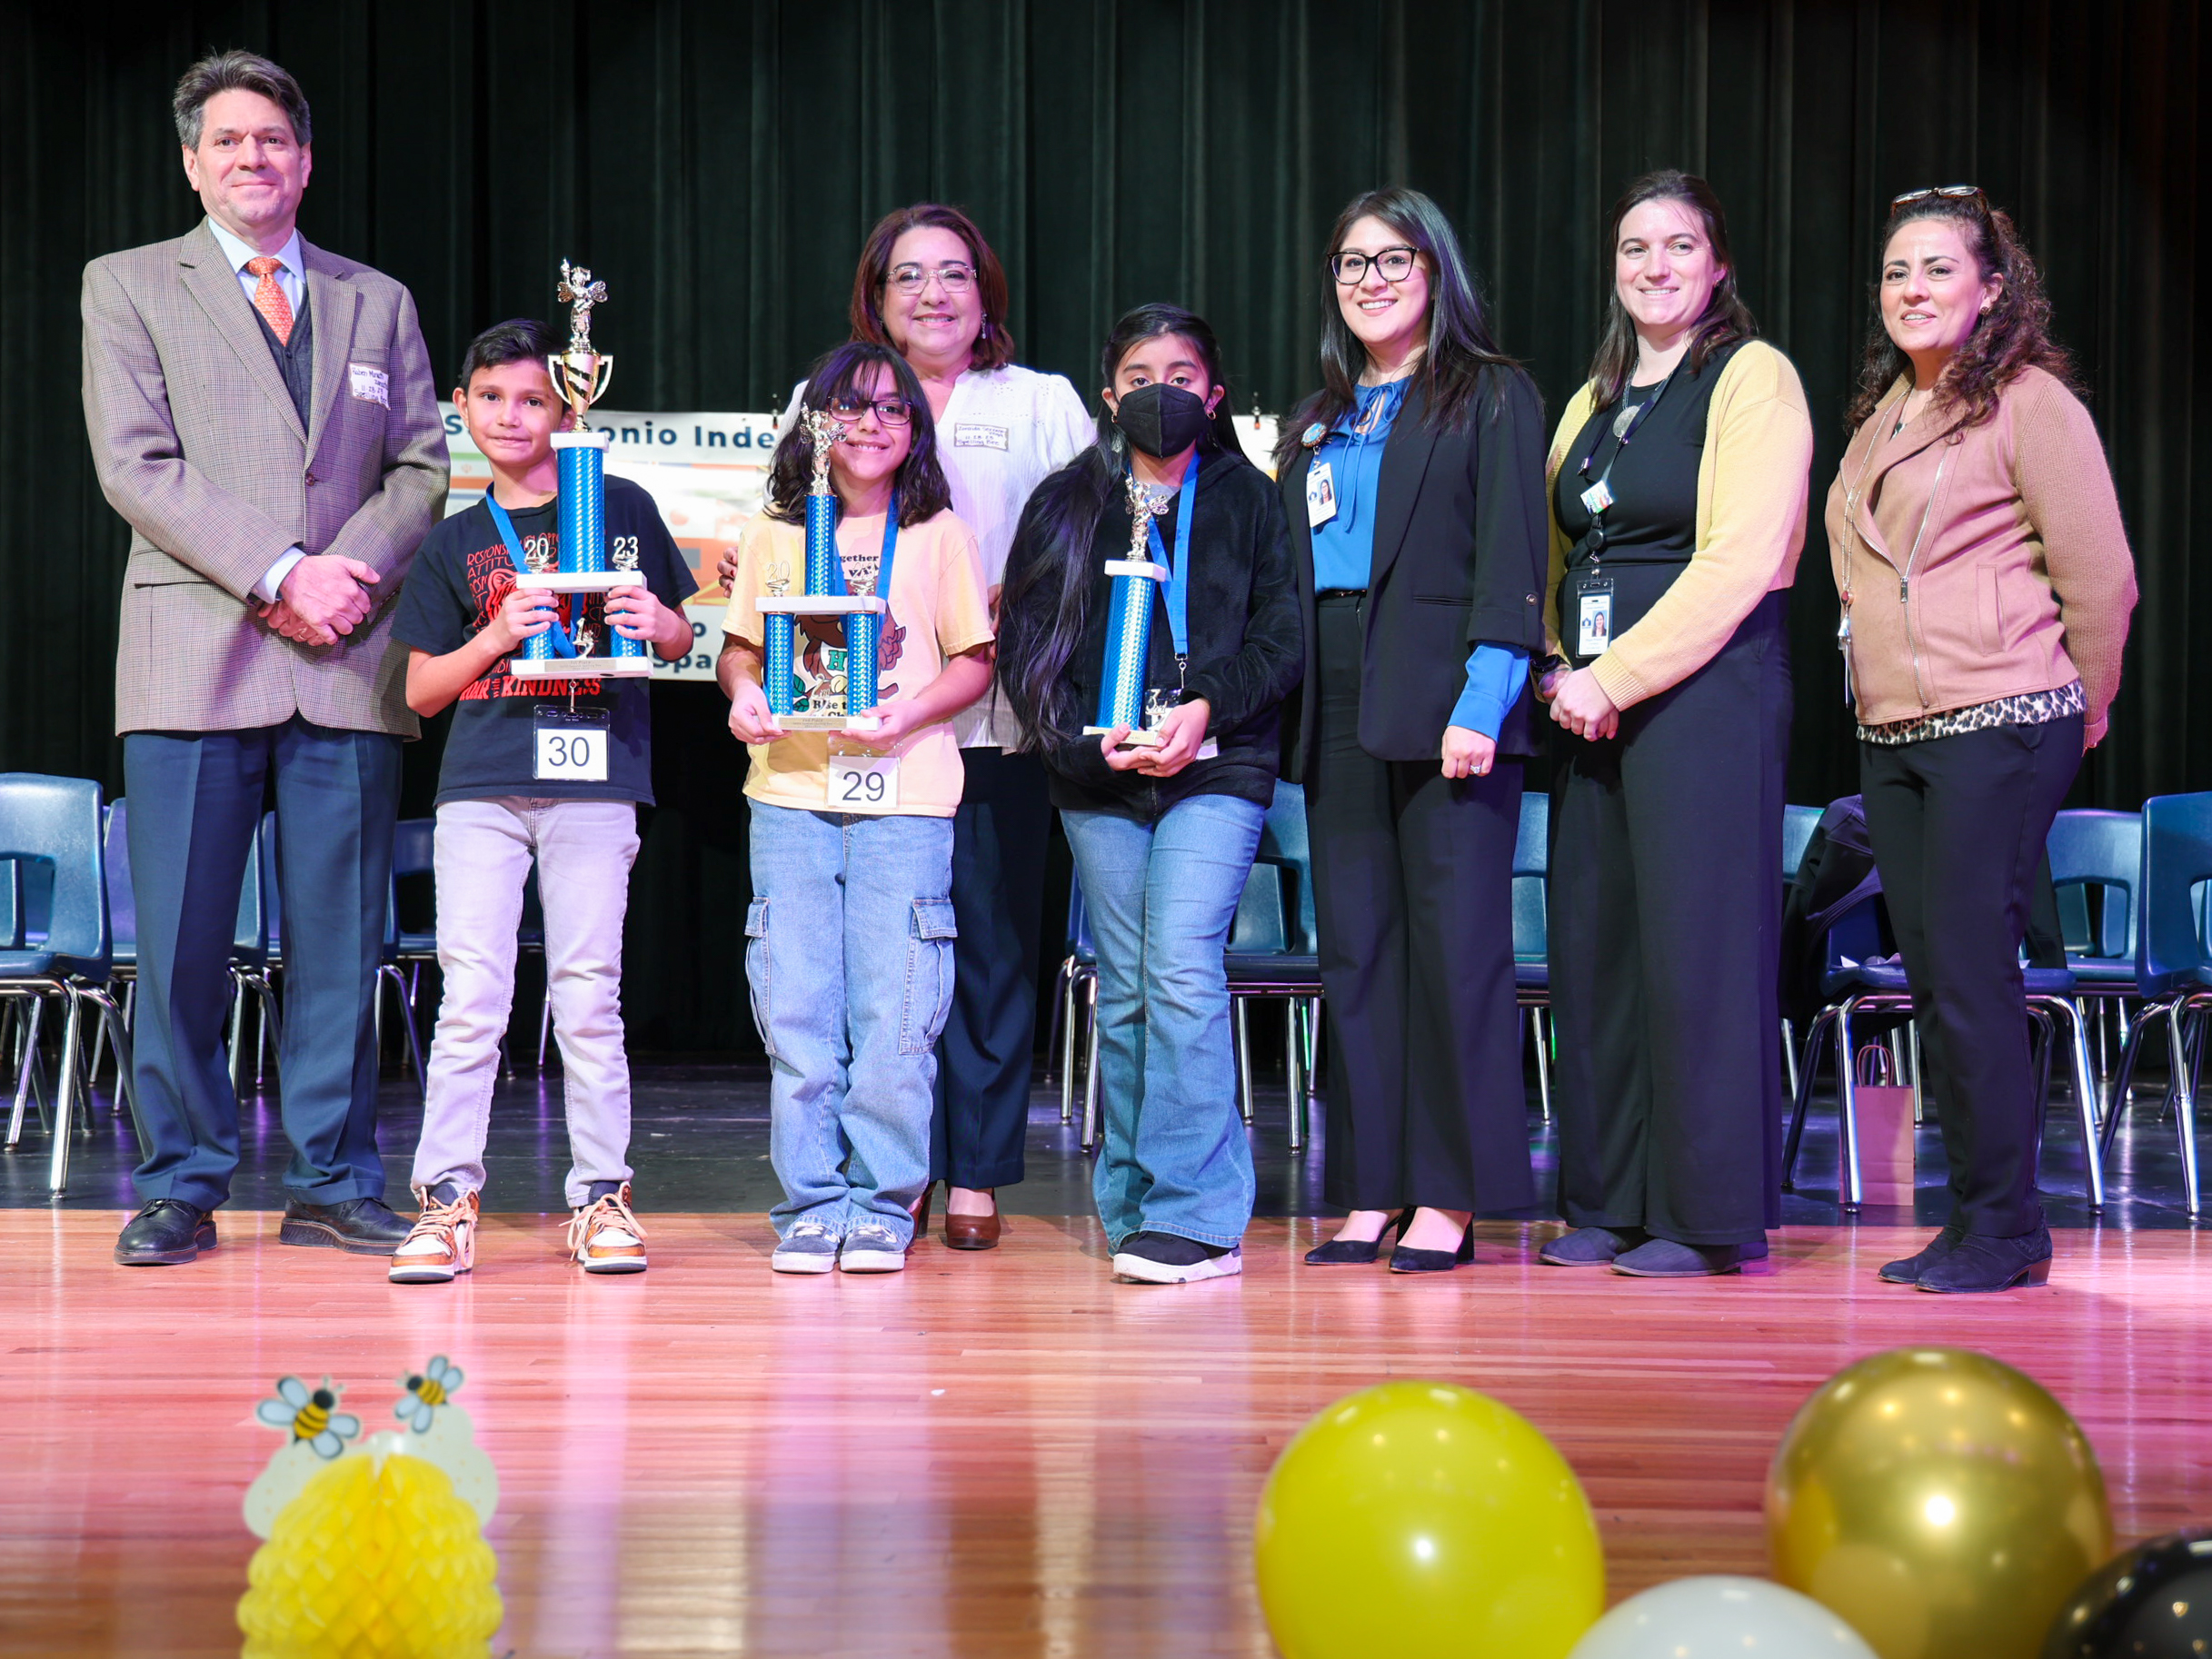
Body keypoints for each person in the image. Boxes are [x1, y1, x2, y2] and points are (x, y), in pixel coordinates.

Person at [81, 51, 448, 1267]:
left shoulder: (374, 299)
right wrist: (285, 571)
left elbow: (421, 468)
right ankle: (181, 1180)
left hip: (346, 660)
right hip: (197, 652)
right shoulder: (128, 286)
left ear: (306, 159)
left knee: (342, 938)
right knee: (180, 940)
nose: (253, 159)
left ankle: (334, 1180)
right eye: (228, 142)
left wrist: (343, 576)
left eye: (273, 141)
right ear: (191, 161)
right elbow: (137, 466)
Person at [722, 205, 1091, 1250]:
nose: (932, 294)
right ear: (875, 300)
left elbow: (1086, 541)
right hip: (837, 739)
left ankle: (973, 1168)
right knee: (863, 968)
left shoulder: (1041, 403)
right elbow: (779, 559)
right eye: (907, 278)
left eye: (954, 275)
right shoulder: (829, 399)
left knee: (982, 951)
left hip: (995, 716)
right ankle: (883, 1174)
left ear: (987, 295)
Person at [1826, 185, 2137, 1294]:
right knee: (1937, 976)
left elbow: (2099, 577)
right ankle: (1974, 1218)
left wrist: (2075, 706)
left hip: (2003, 717)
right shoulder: (1878, 419)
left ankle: (2007, 1228)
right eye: (1897, 272)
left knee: (1966, 972)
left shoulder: (2028, 402)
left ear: (1992, 287)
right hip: (1899, 729)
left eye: (1939, 270)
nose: (1912, 290)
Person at [1534, 171, 1813, 1278]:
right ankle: (1607, 1197)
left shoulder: (1750, 376)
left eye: (1679, 246)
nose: (1654, 265)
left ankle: (1702, 1215)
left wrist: (1621, 675)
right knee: (1597, 952)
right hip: (1589, 702)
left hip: (1706, 695)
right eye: (1634, 247)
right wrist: (1560, 667)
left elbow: (1743, 557)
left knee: (1698, 956)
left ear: (1718, 265)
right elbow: (1555, 550)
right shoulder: (1593, 395)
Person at [384, 320, 697, 1283]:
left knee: (587, 995)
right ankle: (445, 1199)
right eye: (491, 398)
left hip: (596, 782)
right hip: (482, 785)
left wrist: (662, 622)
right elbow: (422, 691)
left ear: (567, 403)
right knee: (472, 997)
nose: (512, 416)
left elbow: (682, 638)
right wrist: (495, 634)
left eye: (532, 398)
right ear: (463, 409)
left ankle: (602, 1195)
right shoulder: (454, 539)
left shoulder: (624, 504)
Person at [1272, 188, 1549, 1273]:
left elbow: (1512, 563)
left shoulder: (1489, 394)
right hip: (1337, 688)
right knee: (1358, 954)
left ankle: (1451, 1193)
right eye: (1351, 263)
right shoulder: (1318, 416)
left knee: (1455, 955)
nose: (1371, 280)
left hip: (1447, 697)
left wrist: (1482, 704)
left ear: (1436, 270)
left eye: (1393, 259)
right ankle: (1370, 1189)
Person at [999, 304, 1300, 1285]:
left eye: (1180, 373)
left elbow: (1281, 642)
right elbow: (1028, 655)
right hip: (1098, 780)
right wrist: (1092, 749)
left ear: (1213, 395)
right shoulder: (1061, 504)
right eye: (1138, 373)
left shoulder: (1254, 504)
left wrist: (1203, 714)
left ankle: (1198, 1215)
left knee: (1177, 968)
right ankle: (1131, 1203)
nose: (1158, 390)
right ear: (1108, 393)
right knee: (1123, 987)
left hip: (1217, 767)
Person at [719, 343, 994, 1275]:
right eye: (849, 407)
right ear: (816, 422)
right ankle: (809, 1199)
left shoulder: (937, 533)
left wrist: (905, 713)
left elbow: (972, 657)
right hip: (791, 794)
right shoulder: (773, 534)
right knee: (796, 1009)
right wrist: (741, 694)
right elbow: (741, 651)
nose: (870, 424)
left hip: (906, 797)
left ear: (914, 431)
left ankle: (883, 1197)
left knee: (897, 1012)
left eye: (891, 409)